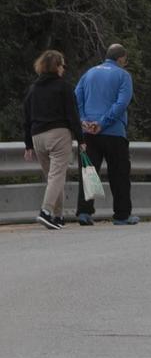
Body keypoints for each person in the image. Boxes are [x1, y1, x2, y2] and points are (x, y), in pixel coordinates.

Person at [23, 50, 86, 230]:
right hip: (58, 134)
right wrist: (80, 139)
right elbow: (72, 114)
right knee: (57, 175)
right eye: (62, 65)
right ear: (57, 66)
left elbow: (26, 117)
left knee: (52, 177)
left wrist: (28, 143)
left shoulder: (32, 89)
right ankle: (46, 211)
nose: (64, 69)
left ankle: (57, 217)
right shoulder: (63, 87)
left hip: (37, 137)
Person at [75, 43, 138, 225]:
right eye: (125, 60)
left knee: (88, 172)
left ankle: (84, 212)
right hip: (114, 132)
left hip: (89, 133)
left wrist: (84, 120)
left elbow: (77, 97)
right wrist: (102, 123)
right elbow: (121, 103)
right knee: (119, 174)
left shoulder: (89, 73)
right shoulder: (123, 75)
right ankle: (121, 215)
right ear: (121, 59)